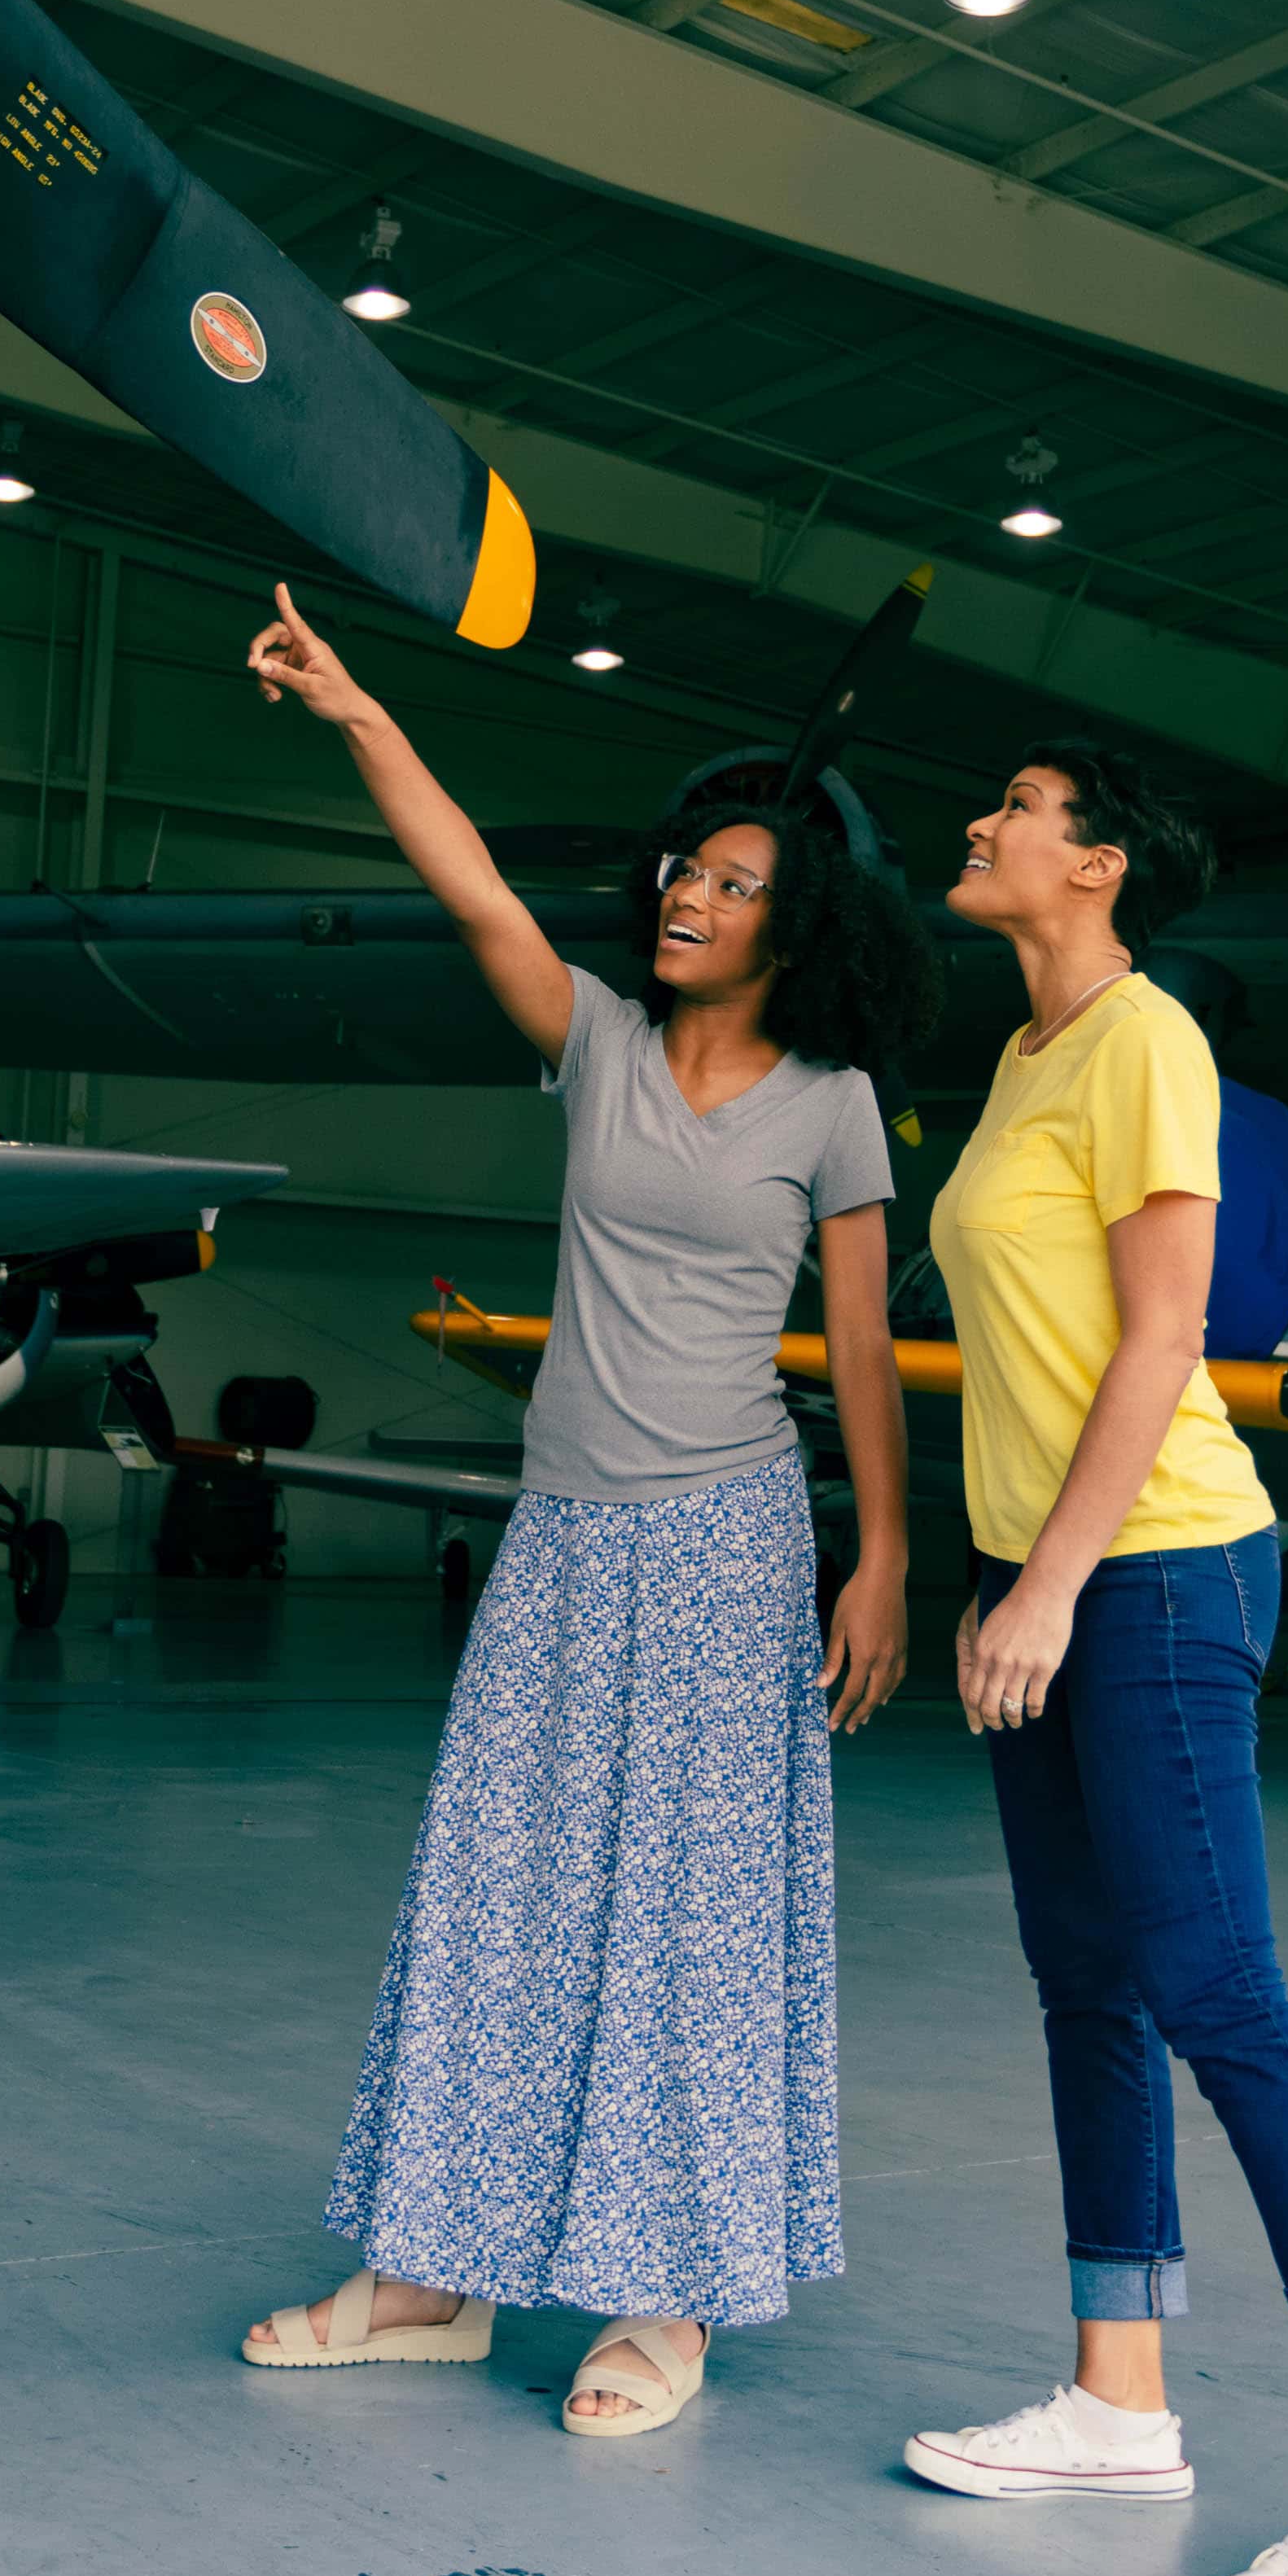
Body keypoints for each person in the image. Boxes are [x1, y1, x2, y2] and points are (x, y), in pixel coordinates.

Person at [234, 588, 933, 2435]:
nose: (681, 895)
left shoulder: (834, 1105)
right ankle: (431, 2277)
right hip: (563, 1532)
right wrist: (357, 706)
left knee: (693, 1922)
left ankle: (665, 2300)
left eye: (724, 877)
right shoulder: (601, 1041)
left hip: (727, 1539)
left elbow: (860, 1347)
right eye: (676, 871)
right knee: (496, 1896)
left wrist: (882, 1552)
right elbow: (471, 882)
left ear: (796, 918)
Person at [897, 743, 1288, 2576]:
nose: (980, 823)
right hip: (1051, 1565)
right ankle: (1116, 2395)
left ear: (1101, 863)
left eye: (1015, 805)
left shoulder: (1149, 1035)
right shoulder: (1021, 1060)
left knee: (1217, 1988)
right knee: (1089, 1983)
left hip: (1149, 1566)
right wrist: (1005, 1570)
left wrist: (1049, 1583)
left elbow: (1165, 1336)